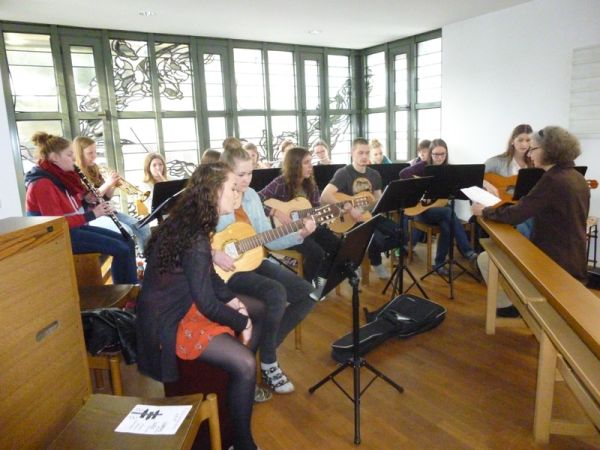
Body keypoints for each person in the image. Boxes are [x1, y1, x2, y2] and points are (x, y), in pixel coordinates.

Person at [136, 162, 264, 450]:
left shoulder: (193, 221)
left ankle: (238, 387)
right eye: (232, 187)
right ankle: (242, 443)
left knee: (257, 308)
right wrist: (241, 322)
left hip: (183, 303)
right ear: (213, 192)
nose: (237, 193)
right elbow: (206, 303)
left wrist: (234, 302)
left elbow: (208, 274)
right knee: (244, 362)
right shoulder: (195, 236)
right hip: (169, 319)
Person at [215, 147, 317, 394]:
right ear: (225, 172)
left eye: (249, 174)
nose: (245, 181)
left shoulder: (250, 196)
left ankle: (264, 348)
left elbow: (268, 239)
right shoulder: (214, 196)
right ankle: (270, 363)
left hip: (254, 261)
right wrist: (212, 252)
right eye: (240, 175)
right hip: (225, 271)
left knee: (308, 293)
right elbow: (194, 237)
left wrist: (300, 233)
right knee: (275, 293)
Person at [473, 126, 589, 315]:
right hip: (573, 255)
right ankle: (515, 304)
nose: (529, 153)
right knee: (490, 256)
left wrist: (485, 211)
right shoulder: (575, 176)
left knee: (486, 259)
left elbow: (517, 214)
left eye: (533, 148)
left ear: (549, 151)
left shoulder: (552, 180)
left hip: (552, 260)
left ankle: (516, 308)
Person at [25, 132, 138, 284]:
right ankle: (126, 293)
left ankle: (132, 286)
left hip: (71, 230)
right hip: (57, 238)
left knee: (128, 241)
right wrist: (93, 214)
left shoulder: (60, 176)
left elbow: (70, 208)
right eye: (69, 154)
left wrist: (86, 201)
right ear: (54, 157)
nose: (73, 158)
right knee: (121, 249)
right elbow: (56, 224)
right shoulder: (42, 184)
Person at [259, 146, 341, 288]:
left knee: (338, 246)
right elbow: (257, 198)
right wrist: (275, 212)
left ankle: (321, 276)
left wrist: (321, 215)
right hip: (285, 232)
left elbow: (315, 209)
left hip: (307, 227)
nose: (311, 166)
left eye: (311, 161)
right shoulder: (280, 182)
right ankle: (307, 287)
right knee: (316, 252)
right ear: (295, 165)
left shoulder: (311, 185)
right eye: (306, 162)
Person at [320, 137, 403, 280]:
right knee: (375, 239)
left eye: (367, 153)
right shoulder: (344, 173)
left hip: (368, 216)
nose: (364, 156)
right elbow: (324, 196)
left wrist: (384, 201)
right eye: (360, 153)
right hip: (349, 218)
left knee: (401, 234)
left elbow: (378, 199)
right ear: (353, 153)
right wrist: (349, 208)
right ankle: (370, 262)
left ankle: (363, 255)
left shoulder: (374, 175)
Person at [399, 139, 478, 276]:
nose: (439, 158)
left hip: (441, 210)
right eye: (436, 154)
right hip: (423, 211)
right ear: (430, 154)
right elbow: (403, 174)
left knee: (447, 224)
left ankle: (439, 264)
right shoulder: (423, 166)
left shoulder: (450, 170)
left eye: (443, 154)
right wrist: (421, 189)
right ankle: (468, 252)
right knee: (448, 212)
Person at [73, 136, 151, 253]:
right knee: (127, 231)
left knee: (143, 226)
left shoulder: (94, 169)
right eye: (90, 153)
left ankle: (147, 259)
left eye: (95, 152)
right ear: (80, 154)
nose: (94, 156)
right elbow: (90, 198)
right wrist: (108, 183)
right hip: (92, 214)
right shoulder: (75, 173)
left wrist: (114, 184)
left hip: (106, 209)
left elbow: (106, 197)